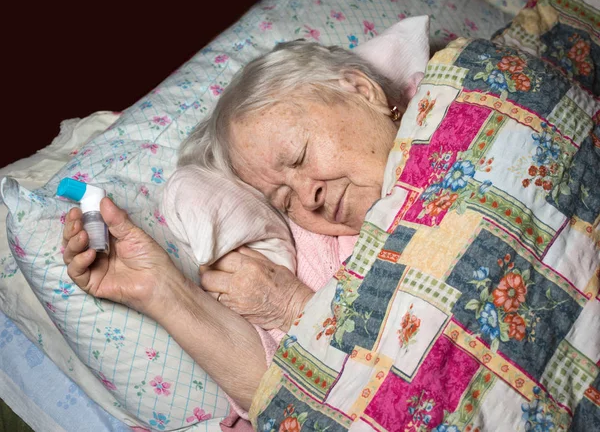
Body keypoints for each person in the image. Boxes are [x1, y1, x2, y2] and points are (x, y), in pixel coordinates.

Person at [62, 41, 407, 416]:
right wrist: (159, 291)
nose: (308, 198)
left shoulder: (461, 96)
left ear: (361, 89)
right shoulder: (310, 249)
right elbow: (287, 404)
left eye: (299, 156)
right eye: (284, 200)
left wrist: (296, 309)